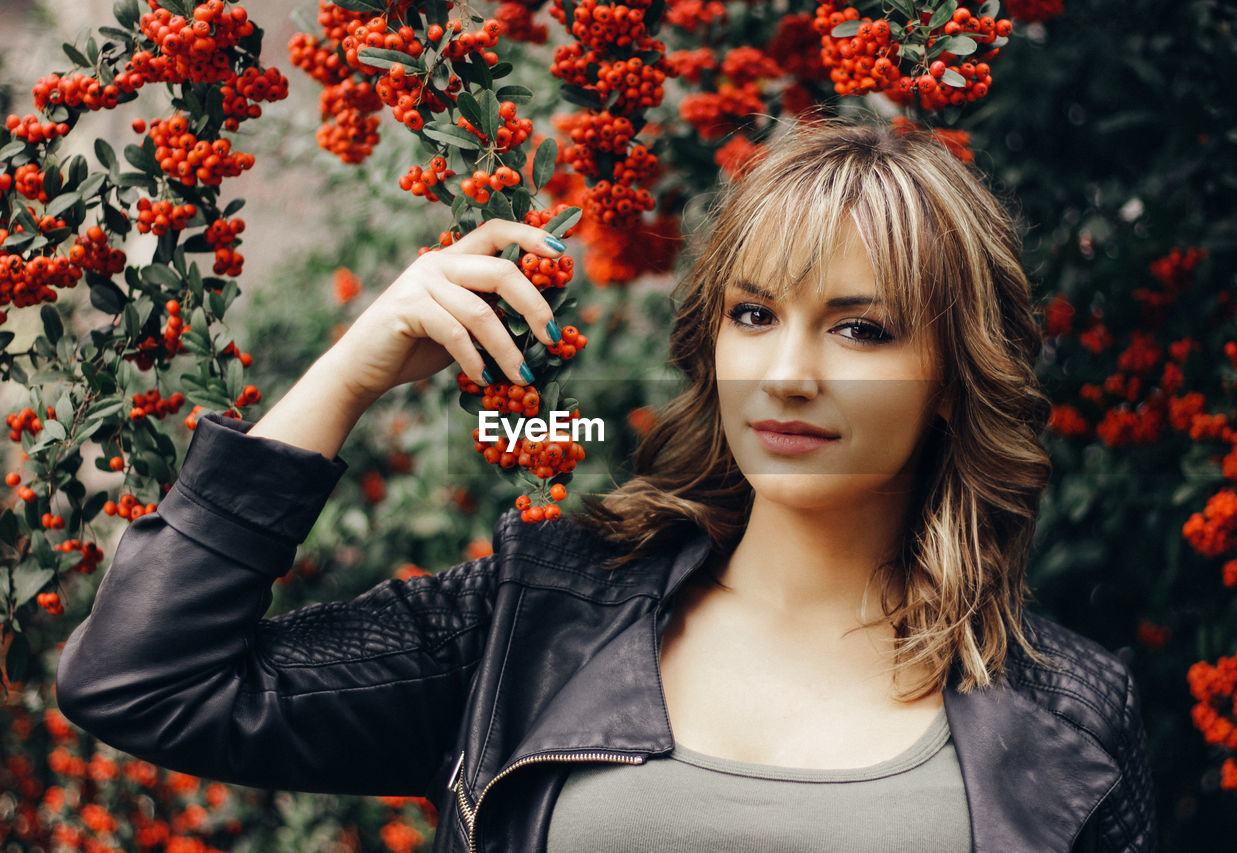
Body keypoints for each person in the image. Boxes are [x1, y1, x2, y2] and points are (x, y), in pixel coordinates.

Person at [56, 119, 1157, 852]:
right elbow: (146, 682)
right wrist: (357, 367)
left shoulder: (1065, 707)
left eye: (859, 328)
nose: (784, 370)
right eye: (754, 313)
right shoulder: (534, 620)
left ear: (955, 383)